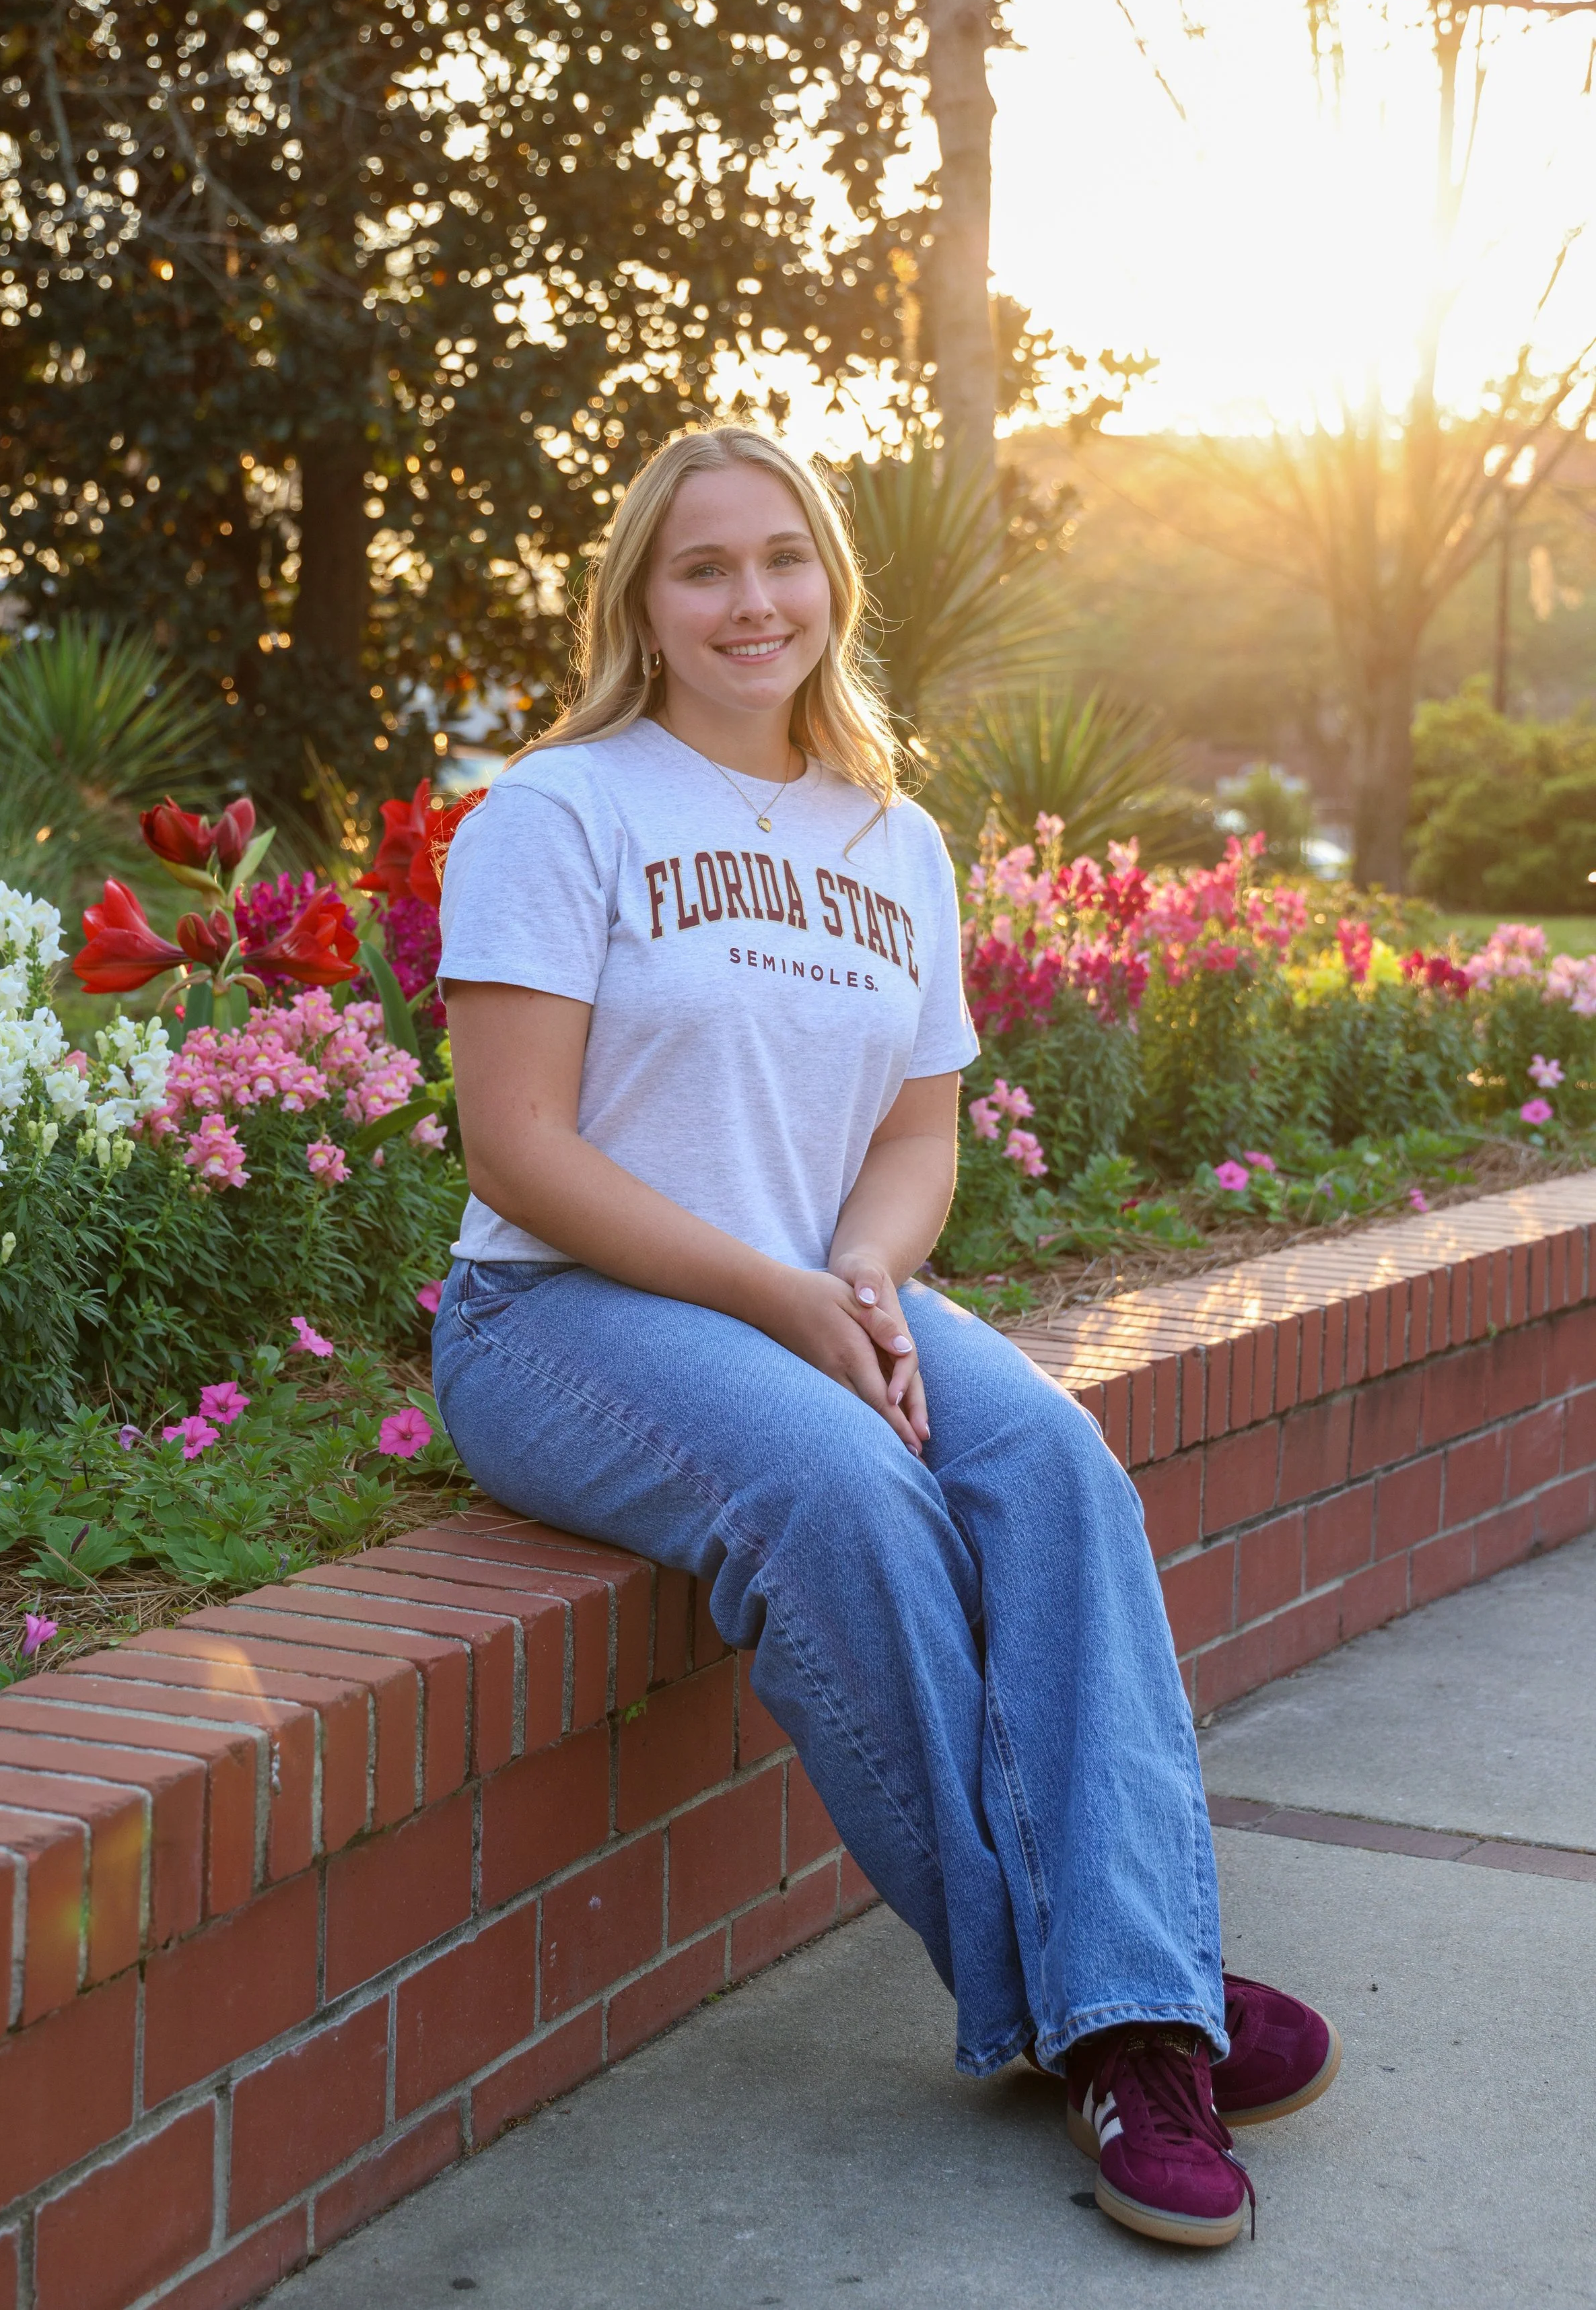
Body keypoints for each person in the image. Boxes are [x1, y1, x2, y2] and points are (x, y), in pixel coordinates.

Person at [431, 424, 1339, 2249]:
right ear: (642, 600)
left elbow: (916, 1131)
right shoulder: (561, 809)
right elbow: (515, 1140)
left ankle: (1123, 1984)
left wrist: (856, 1268)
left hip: (819, 1287)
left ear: (832, 581)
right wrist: (786, 1302)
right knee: (850, 1496)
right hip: (563, 1315)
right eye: (703, 567)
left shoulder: (892, 834)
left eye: (782, 557)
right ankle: (1114, 2020)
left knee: (1054, 1469)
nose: (749, 597)